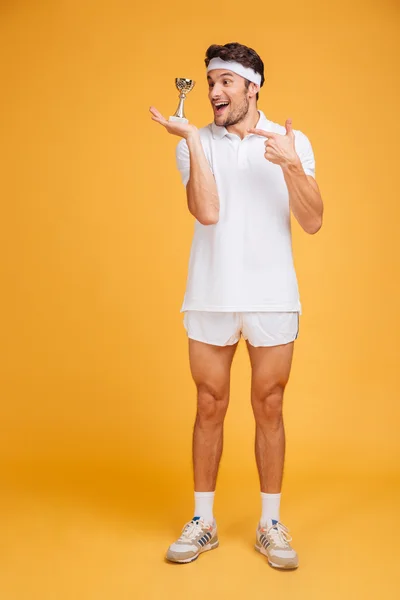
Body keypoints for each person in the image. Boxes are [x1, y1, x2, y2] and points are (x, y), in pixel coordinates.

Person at [149, 41, 323, 570]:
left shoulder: (292, 141)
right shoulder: (193, 140)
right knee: (209, 404)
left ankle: (270, 523)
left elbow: (313, 220)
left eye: (226, 82)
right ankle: (204, 521)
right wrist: (193, 146)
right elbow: (206, 211)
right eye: (211, 82)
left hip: (273, 296)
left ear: (253, 87)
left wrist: (292, 164)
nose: (215, 92)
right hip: (211, 293)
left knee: (269, 405)